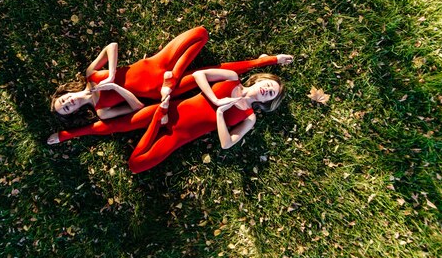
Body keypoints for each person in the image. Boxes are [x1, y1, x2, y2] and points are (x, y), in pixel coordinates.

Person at [47, 69, 286, 173]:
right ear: (260, 79)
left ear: (268, 102)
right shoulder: (232, 79)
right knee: (118, 124)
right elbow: (200, 75)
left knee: (135, 165)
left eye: (271, 93)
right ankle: (68, 134)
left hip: (177, 135)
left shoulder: (249, 117)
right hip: (169, 108)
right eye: (268, 84)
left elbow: (227, 143)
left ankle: (155, 120)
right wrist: (214, 98)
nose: (267, 89)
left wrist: (221, 114)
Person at [52, 26, 293, 120]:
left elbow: (112, 47)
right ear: (74, 111)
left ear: (65, 92)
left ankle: (176, 73)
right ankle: (266, 61)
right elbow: (137, 108)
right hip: (160, 89)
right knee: (217, 71)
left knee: (200, 34)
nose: (68, 102)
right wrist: (115, 88)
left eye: (63, 100)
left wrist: (111, 74)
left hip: (158, 64)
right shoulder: (102, 111)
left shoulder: (90, 74)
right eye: (67, 107)